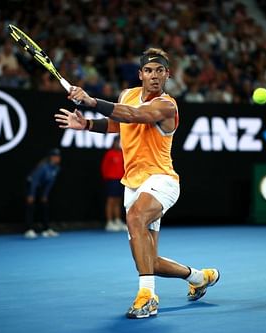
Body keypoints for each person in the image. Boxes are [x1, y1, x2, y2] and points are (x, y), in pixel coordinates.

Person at [54, 48, 220, 319]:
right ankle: (200, 277)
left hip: (162, 180)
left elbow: (133, 116)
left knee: (135, 217)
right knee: (148, 261)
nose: (154, 76)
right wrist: (86, 125)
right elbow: (118, 124)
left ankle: (147, 297)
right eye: (149, 71)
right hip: (132, 184)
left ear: (167, 75)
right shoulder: (127, 95)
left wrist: (91, 100)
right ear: (140, 74)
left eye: (160, 71)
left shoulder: (167, 105)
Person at [24, 148, 61, 239]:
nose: (57, 158)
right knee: (31, 206)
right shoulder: (43, 167)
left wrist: (45, 195)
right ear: (51, 157)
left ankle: (46, 229)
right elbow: (34, 181)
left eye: (58, 156)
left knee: (44, 206)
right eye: (55, 156)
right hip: (31, 185)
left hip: (42, 187)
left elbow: (50, 182)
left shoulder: (57, 168)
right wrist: (31, 194)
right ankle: (29, 230)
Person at [101, 135, 128, 232]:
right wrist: (107, 179)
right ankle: (109, 222)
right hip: (111, 180)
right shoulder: (110, 153)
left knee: (118, 201)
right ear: (114, 142)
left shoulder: (123, 154)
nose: (119, 144)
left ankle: (117, 220)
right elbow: (104, 168)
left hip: (121, 180)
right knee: (111, 201)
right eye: (118, 142)